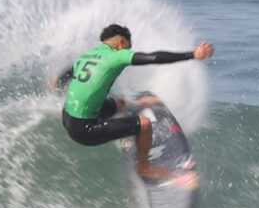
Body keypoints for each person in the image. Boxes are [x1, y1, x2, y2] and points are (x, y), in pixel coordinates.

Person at [59, 24, 214, 179]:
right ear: (121, 43)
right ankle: (144, 167)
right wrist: (193, 54)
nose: (128, 50)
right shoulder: (117, 56)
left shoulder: (90, 54)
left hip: (67, 116)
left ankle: (138, 104)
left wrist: (57, 82)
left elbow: (70, 72)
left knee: (119, 104)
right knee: (145, 124)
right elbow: (154, 57)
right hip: (84, 129)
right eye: (128, 47)